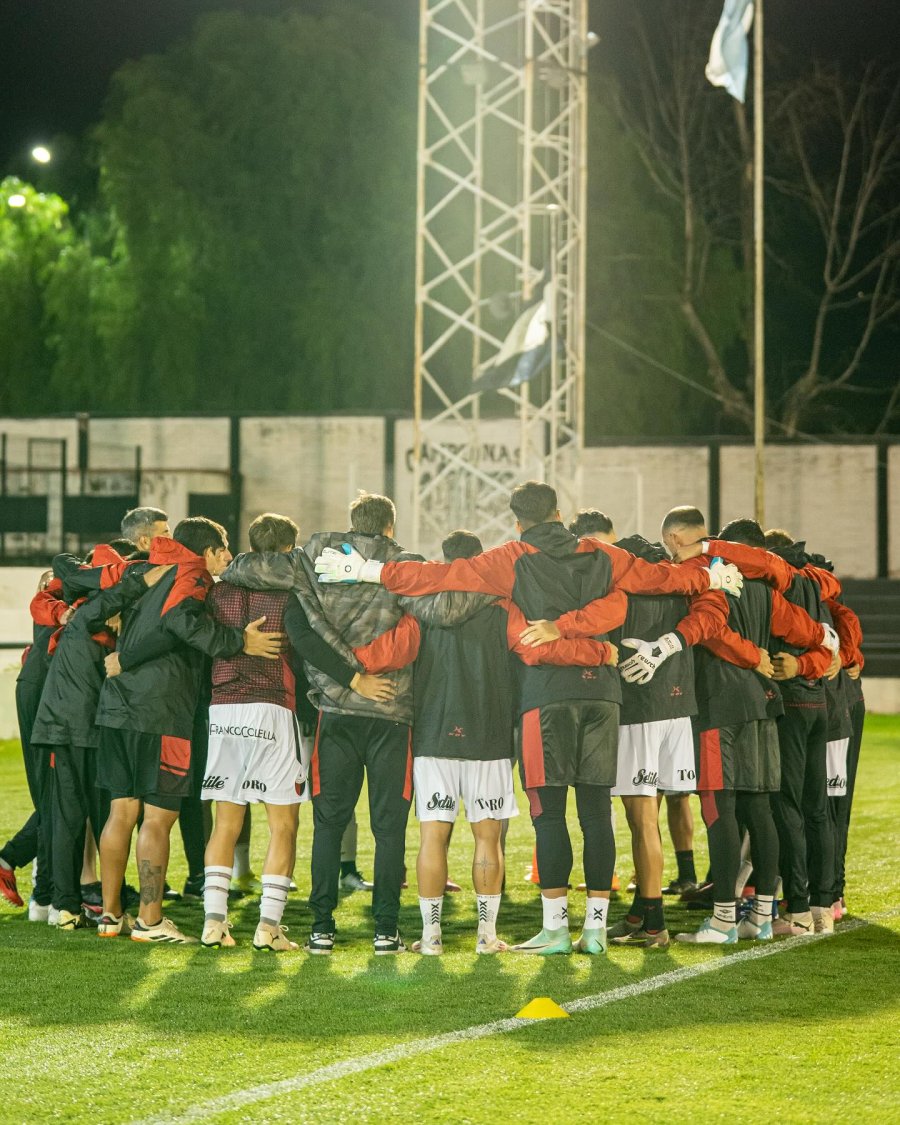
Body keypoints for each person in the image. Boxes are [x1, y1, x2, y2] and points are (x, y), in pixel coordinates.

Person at [316, 481, 745, 955]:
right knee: (597, 815)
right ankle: (595, 931)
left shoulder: (509, 559)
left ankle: (549, 930)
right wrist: (705, 582)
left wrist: (368, 570)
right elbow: (658, 580)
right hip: (599, 698)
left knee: (545, 819)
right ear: (560, 512)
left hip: (535, 702)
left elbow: (441, 579)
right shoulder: (600, 554)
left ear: (518, 522)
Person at [225, 492, 424, 955]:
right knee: (389, 827)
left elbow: (248, 569)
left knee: (329, 823)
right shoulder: (404, 564)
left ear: (352, 524)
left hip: (335, 712)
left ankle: (321, 928)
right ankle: (385, 930)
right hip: (391, 712)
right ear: (390, 527)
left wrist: (224, 565)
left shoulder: (313, 557)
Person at [93, 517, 283, 943]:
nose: (229, 557)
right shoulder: (192, 574)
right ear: (208, 552)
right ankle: (150, 920)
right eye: (224, 549)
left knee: (120, 812)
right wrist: (238, 642)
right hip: (160, 711)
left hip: (118, 707)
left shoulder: (149, 573)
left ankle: (109, 916)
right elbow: (181, 621)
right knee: (159, 817)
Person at [665, 512, 836, 943]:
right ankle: (761, 916)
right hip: (765, 705)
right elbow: (809, 632)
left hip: (719, 705)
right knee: (760, 811)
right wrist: (829, 646)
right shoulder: (766, 589)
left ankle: (723, 920)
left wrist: (749, 655)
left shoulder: (706, 578)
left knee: (719, 810)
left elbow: (710, 630)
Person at [30, 550, 172, 930]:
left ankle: (87, 903)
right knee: (68, 817)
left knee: (94, 817)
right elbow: (93, 588)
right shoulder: (83, 622)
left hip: (92, 733)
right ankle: (63, 904)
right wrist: (139, 581)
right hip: (67, 731)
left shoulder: (109, 637)